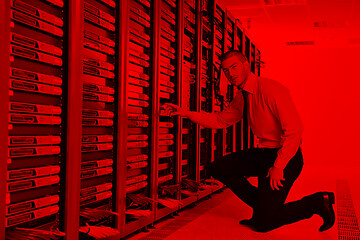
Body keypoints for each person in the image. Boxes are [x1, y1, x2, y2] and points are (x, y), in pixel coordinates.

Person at [161, 50, 335, 232]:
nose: (230, 74)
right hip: (263, 153)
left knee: (264, 224)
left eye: (234, 67)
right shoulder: (241, 96)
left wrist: (278, 166)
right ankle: (262, 207)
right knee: (218, 168)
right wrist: (186, 113)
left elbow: (295, 130)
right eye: (226, 70)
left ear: (246, 66)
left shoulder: (270, 89)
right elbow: (220, 120)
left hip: (285, 158)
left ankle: (317, 202)